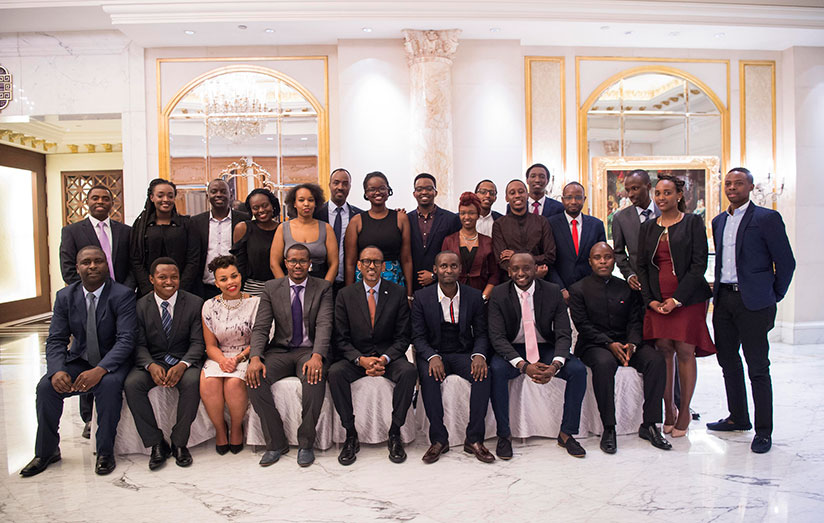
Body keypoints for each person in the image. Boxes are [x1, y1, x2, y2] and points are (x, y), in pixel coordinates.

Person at [20, 246, 137, 477]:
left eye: (98, 261)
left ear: (106, 265)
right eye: (86, 262)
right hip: (81, 359)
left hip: (112, 361)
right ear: (77, 268)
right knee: (46, 388)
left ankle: (105, 452)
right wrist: (56, 370)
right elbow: (56, 339)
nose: (92, 266)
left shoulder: (122, 295)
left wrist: (101, 369)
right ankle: (47, 451)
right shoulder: (65, 297)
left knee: (108, 386)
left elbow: (126, 340)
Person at [706, 167, 795, 454]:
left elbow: (786, 262)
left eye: (738, 183)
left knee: (757, 367)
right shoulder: (718, 221)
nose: (732, 187)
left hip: (754, 303)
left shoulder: (766, 219)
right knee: (728, 362)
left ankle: (764, 430)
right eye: (728, 183)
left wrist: (773, 295)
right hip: (724, 301)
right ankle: (738, 417)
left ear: (751, 186)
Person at [568, 243, 671, 453]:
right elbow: (583, 326)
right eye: (598, 257)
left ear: (614, 260)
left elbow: (635, 320)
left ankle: (650, 424)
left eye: (607, 257)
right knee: (604, 363)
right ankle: (608, 426)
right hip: (594, 345)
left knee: (656, 360)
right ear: (590, 262)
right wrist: (608, 343)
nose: (603, 261)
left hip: (626, 343)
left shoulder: (626, 287)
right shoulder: (578, 289)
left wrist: (632, 344)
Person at [487, 252, 588, 459]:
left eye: (526, 268)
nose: (521, 273)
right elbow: (497, 338)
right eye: (515, 269)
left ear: (536, 269)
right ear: (509, 271)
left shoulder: (552, 291)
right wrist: (523, 366)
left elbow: (563, 333)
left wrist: (555, 366)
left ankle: (566, 434)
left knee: (578, 370)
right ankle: (504, 435)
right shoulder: (498, 294)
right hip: (513, 350)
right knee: (496, 370)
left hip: (544, 348)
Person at [637, 174, 715, 438]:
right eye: (658, 193)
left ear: (679, 195)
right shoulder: (648, 227)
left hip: (688, 299)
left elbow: (698, 265)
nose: (662, 198)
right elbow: (643, 268)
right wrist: (652, 301)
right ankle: (667, 410)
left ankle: (683, 412)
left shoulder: (692, 222)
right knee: (663, 351)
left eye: (667, 193)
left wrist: (676, 299)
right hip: (658, 300)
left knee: (684, 351)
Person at [59, 184, 135, 439]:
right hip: (89, 300)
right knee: (88, 351)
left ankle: (115, 413)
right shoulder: (72, 231)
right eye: (95, 198)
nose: (100, 201)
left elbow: (133, 264)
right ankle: (88, 417)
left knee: (117, 352)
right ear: (88, 202)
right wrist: (87, 295)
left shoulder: (125, 231)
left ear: (113, 203)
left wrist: (123, 293)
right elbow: (69, 268)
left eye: (105, 198)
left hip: (120, 299)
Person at [329, 246, 416, 466]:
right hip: (358, 358)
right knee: (335, 373)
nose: (371, 266)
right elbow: (340, 338)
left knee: (409, 372)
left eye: (376, 262)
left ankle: (395, 433)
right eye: (366, 261)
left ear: (383, 266)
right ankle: (350, 434)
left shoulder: (397, 292)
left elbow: (403, 336)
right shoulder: (345, 295)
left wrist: (385, 359)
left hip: (388, 357)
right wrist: (361, 360)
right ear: (358, 265)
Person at [248, 244, 333, 468]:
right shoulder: (272, 287)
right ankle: (276, 443)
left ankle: (306, 443)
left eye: (302, 261)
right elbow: (261, 327)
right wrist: (255, 357)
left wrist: (317, 356)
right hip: (281, 350)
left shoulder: (323, 287)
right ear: (285, 263)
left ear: (310, 264)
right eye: (293, 261)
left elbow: (325, 324)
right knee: (256, 380)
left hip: (309, 351)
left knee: (314, 378)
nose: (298, 265)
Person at [412, 251, 494, 464]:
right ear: (435, 269)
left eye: (453, 266)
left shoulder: (474, 296)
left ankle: (474, 439)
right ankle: (439, 440)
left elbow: (482, 333)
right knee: (429, 378)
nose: (448, 270)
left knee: (483, 375)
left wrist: (478, 356)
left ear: (460, 269)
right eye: (444, 266)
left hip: (463, 352)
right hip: (434, 352)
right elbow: (418, 337)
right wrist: (431, 356)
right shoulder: (421, 297)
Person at [123, 257, 205, 470]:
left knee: (193, 381)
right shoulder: (139, 306)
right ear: (151, 279)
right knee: (132, 384)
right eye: (162, 277)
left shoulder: (195, 303)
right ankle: (156, 443)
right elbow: (138, 345)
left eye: (174, 277)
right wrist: (150, 365)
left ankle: (179, 442)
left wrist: (183, 364)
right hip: (153, 360)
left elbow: (198, 342)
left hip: (183, 360)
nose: (169, 281)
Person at [200, 255, 260, 455]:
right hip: (219, 355)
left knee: (234, 383)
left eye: (233, 276)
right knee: (209, 381)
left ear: (240, 276)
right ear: (216, 283)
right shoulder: (209, 306)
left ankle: (236, 427)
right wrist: (223, 361)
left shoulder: (256, 303)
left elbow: (260, 340)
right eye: (224, 279)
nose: (230, 282)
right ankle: (220, 430)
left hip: (247, 354)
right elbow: (210, 345)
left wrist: (238, 359)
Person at [344, 171, 413, 298]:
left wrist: (409, 293)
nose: (377, 193)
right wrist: (349, 294)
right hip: (364, 280)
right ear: (366, 193)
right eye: (372, 189)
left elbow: (407, 259)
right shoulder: (356, 221)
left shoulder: (401, 219)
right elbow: (350, 262)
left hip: (394, 280)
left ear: (388, 191)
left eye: (382, 188)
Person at [131, 178, 200, 297]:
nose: (166, 200)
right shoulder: (141, 226)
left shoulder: (187, 224)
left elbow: (193, 259)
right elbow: (135, 259)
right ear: (152, 197)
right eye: (160, 195)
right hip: (149, 293)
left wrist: (180, 287)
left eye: (170, 196)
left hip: (183, 291)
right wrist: (148, 288)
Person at [192, 179, 250, 299]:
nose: (219, 194)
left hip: (237, 287)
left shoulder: (245, 220)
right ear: (208, 196)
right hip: (205, 289)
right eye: (214, 191)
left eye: (223, 191)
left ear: (231, 195)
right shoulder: (196, 222)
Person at [548, 182, 606, 301]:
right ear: (563, 200)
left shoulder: (596, 225)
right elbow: (549, 260)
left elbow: (602, 258)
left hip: (591, 291)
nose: (573, 201)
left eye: (578, 197)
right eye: (569, 197)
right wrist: (561, 289)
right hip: (560, 292)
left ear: (584, 199)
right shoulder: (550, 224)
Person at [270, 183, 338, 282]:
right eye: (301, 200)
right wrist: (285, 288)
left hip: (320, 283)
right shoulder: (283, 228)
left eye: (310, 200)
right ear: (294, 203)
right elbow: (274, 263)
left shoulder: (326, 228)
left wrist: (325, 287)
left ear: (316, 203)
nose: (306, 204)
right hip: (290, 284)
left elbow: (334, 263)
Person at [314, 168, 364, 295]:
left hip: (350, 283)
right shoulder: (316, 214)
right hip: (320, 282)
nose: (340, 187)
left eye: (345, 183)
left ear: (350, 187)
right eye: (336, 182)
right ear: (329, 185)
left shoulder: (360, 216)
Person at [408, 173, 461, 291]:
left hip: (443, 284)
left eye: (429, 188)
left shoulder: (451, 219)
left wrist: (434, 275)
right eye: (419, 189)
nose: (424, 192)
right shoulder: (406, 219)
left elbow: (455, 255)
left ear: (435, 192)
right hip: (413, 284)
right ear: (414, 194)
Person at [491, 180, 555, 279]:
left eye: (521, 192)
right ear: (507, 198)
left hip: (541, 281)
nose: (517, 196)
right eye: (512, 193)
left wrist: (515, 255)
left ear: (527, 195)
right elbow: (502, 260)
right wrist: (532, 271)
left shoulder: (542, 221)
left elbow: (550, 256)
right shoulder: (499, 224)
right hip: (509, 282)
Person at [441, 192, 499, 298]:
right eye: (462, 213)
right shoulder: (449, 241)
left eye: (471, 213)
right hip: (454, 296)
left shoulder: (488, 242)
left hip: (481, 296)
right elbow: (443, 271)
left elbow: (494, 274)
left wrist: (484, 296)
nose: (466, 217)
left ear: (478, 215)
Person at [612, 169, 660, 291]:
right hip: (639, 286)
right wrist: (629, 275)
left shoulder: (665, 213)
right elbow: (619, 253)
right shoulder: (620, 218)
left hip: (665, 282)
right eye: (628, 190)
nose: (631, 194)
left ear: (648, 186)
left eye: (635, 188)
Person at [232, 188, 280, 295]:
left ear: (273, 205)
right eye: (255, 208)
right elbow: (239, 264)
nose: (261, 210)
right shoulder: (242, 228)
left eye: (265, 205)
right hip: (251, 289)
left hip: (279, 287)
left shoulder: (283, 229)